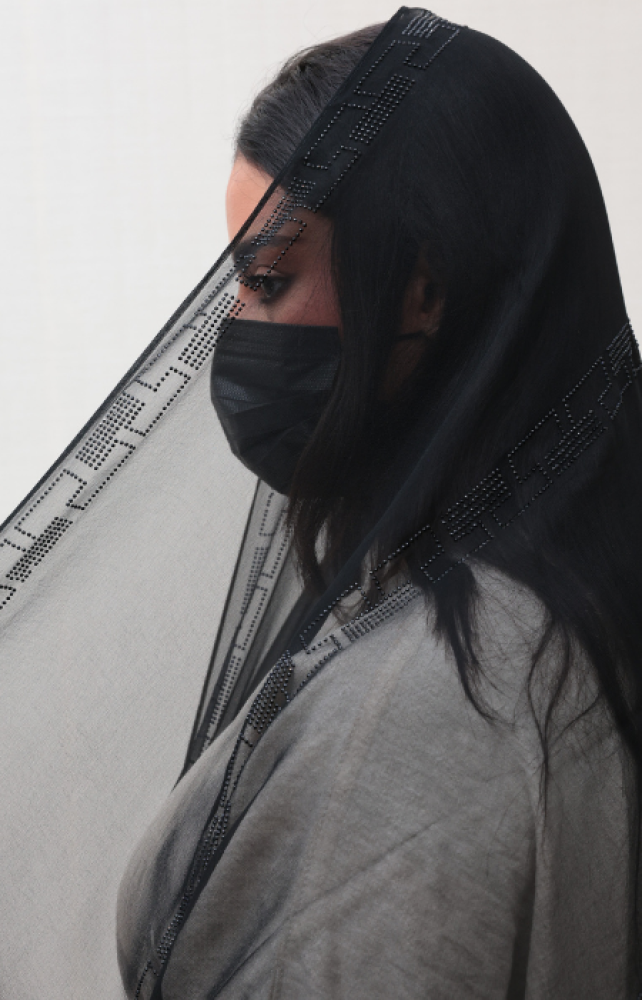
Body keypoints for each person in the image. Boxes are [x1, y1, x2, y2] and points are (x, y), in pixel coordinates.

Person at [0, 7, 638, 999]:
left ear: (424, 289)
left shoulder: (434, 701)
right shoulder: (555, 607)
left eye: (267, 279)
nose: (236, 329)